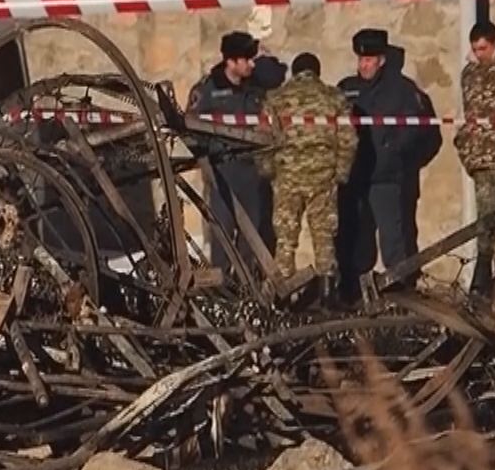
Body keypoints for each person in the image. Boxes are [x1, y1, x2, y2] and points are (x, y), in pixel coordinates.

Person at [336, 29, 442, 302]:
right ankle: (354, 293)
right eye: (360, 59)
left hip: (387, 179)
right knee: (356, 239)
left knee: (394, 239)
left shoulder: (403, 91)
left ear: (381, 60)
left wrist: (396, 156)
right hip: (354, 179)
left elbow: (426, 134)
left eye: (369, 60)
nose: (363, 65)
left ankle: (401, 292)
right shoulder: (346, 88)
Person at [188, 30, 287, 271]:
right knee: (222, 238)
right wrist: (208, 156)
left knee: (250, 241)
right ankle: (223, 288)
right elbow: (189, 129)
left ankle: (247, 287)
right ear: (231, 62)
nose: (252, 64)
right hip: (222, 173)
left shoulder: (255, 88)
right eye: (247, 60)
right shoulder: (206, 90)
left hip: (252, 174)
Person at [260, 52, 355, 289]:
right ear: (317, 72)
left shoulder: (276, 98)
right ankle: (328, 294)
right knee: (324, 239)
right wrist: (341, 172)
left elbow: (263, 137)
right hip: (323, 178)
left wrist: (268, 171)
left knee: (285, 241)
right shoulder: (335, 98)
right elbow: (348, 138)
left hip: (287, 178)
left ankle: (282, 295)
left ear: (293, 72)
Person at [454, 21, 495, 303]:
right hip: (481, 159)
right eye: (475, 49)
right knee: (486, 220)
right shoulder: (470, 73)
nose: (479, 54)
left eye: (484, 48)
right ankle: (482, 282)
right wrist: (465, 145)